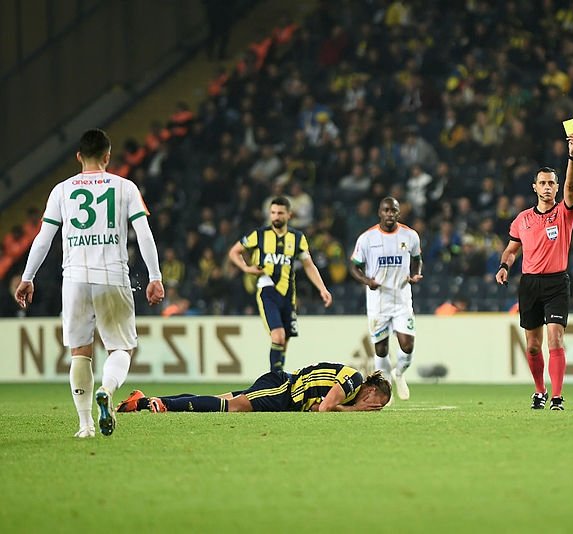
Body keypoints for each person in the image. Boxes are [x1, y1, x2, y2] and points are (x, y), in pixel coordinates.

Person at [14, 128, 164, 438]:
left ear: (79, 156)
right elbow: (145, 234)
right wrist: (155, 276)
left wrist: (28, 277)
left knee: (80, 352)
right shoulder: (125, 188)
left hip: (75, 279)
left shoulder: (62, 190)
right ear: (108, 157)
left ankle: (85, 425)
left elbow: (44, 239)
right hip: (112, 275)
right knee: (122, 348)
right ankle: (107, 390)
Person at [496, 132, 573, 411]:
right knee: (533, 346)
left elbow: (572, 186)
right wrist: (504, 266)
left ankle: (557, 396)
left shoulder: (564, 212)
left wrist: (572, 156)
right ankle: (540, 390)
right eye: (542, 183)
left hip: (557, 282)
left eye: (551, 183)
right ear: (534, 187)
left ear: (556, 187)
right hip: (530, 284)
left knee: (555, 337)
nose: (547, 187)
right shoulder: (522, 219)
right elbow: (511, 250)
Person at [228, 196, 333, 372]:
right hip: (267, 289)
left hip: (288, 293)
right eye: (273, 213)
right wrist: (246, 269)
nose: (276, 216)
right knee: (278, 336)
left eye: (280, 213)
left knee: (284, 340)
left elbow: (309, 265)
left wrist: (322, 288)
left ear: (289, 215)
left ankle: (278, 379)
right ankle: (274, 381)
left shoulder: (297, 238)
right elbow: (234, 252)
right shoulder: (259, 235)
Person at [350, 197, 423, 402]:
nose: (390, 214)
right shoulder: (367, 238)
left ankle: (399, 373)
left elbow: (417, 259)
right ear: (379, 212)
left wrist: (416, 274)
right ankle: (386, 389)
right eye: (386, 210)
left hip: (401, 300)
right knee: (380, 350)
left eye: (394, 211)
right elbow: (354, 266)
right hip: (377, 302)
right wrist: (366, 280)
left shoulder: (410, 235)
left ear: (399, 213)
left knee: (407, 346)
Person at [116, 362, 391, 413]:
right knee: (233, 407)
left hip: (285, 394)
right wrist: (355, 410)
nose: (375, 405)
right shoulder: (353, 380)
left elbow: (319, 406)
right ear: (371, 389)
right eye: (378, 400)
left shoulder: (353, 390)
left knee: (217, 399)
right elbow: (326, 409)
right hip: (283, 389)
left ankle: (143, 400)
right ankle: (164, 405)